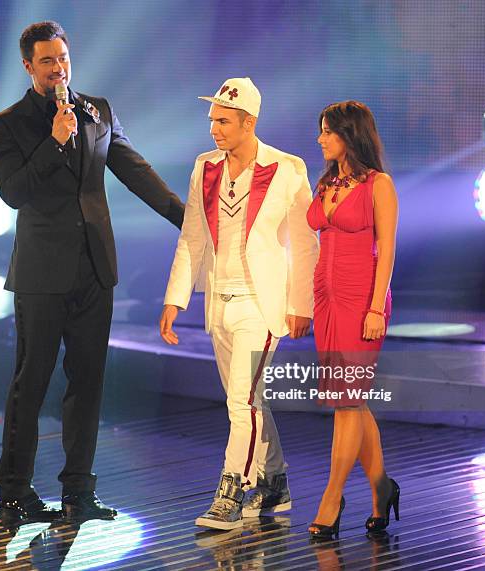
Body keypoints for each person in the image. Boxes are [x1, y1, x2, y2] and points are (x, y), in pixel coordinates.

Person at [0, 21, 184, 524]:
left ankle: (78, 491)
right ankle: (14, 493)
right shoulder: (7, 124)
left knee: (89, 382)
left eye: (64, 58)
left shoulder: (96, 111)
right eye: (48, 61)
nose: (59, 69)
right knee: (31, 382)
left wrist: (187, 219)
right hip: (40, 274)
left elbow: (133, 168)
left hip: (94, 270)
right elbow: (13, 193)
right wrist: (54, 143)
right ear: (29, 66)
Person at [160, 78, 319, 530]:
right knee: (251, 400)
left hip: (261, 301)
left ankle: (232, 489)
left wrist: (301, 303)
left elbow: (305, 244)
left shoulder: (286, 168)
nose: (214, 128)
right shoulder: (204, 167)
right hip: (219, 300)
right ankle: (274, 484)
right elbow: (191, 237)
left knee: (239, 402)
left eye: (224, 121)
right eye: (212, 119)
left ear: (249, 122)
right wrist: (176, 299)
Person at [305, 101, 400, 540]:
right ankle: (382, 489)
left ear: (350, 134)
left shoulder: (379, 185)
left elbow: (387, 252)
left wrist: (376, 308)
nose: (321, 139)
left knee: (346, 401)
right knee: (352, 399)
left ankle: (332, 498)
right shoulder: (327, 182)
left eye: (328, 132)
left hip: (362, 299)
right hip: (326, 298)